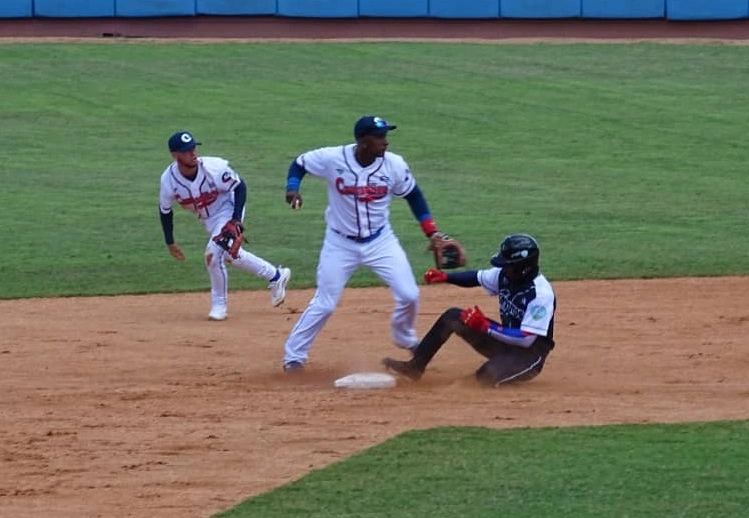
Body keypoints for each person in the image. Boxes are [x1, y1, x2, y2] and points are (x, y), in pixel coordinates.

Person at [281, 115, 452, 372]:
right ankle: (294, 356)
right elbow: (299, 163)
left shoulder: (393, 165)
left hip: (381, 242)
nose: (386, 142)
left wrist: (432, 233)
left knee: (410, 295)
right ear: (363, 142)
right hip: (340, 243)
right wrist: (292, 188)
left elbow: (414, 195)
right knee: (325, 302)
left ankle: (404, 337)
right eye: (380, 137)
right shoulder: (332, 158)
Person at [382, 233, 556, 387]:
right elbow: (477, 277)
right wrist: (446, 277)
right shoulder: (506, 276)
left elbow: (526, 339)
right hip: (504, 343)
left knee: (482, 379)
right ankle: (415, 367)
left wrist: (486, 326)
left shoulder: (540, 294)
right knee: (453, 317)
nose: (503, 268)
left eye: (508, 265)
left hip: (529, 356)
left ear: (522, 268)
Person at [158, 130, 291, 321]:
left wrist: (236, 220)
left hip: (228, 208)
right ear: (175, 155)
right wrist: (170, 242)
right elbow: (165, 211)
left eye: (193, 148)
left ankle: (219, 305)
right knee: (230, 255)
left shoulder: (213, 168)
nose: (193, 153)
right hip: (208, 219)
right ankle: (277, 276)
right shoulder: (168, 181)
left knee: (212, 256)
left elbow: (240, 186)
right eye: (187, 151)